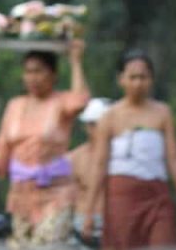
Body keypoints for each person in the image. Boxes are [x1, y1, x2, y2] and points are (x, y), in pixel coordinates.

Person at [0, 41, 91, 248]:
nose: (32, 77)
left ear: (53, 75)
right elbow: (2, 150)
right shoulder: (15, 105)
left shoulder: (60, 102)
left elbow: (80, 100)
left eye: (38, 71)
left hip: (56, 193)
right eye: (28, 71)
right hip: (20, 195)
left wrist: (75, 60)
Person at [84, 50, 176, 249]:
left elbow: (173, 159)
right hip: (121, 196)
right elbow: (100, 164)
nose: (137, 83)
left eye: (143, 77)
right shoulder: (110, 117)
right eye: (132, 77)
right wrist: (90, 210)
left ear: (151, 79)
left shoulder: (162, 113)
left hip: (156, 194)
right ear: (121, 79)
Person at [69, 97, 112, 244]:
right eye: (92, 124)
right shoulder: (75, 158)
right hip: (81, 224)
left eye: (100, 124)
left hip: (116, 222)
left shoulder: (123, 158)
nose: (96, 129)